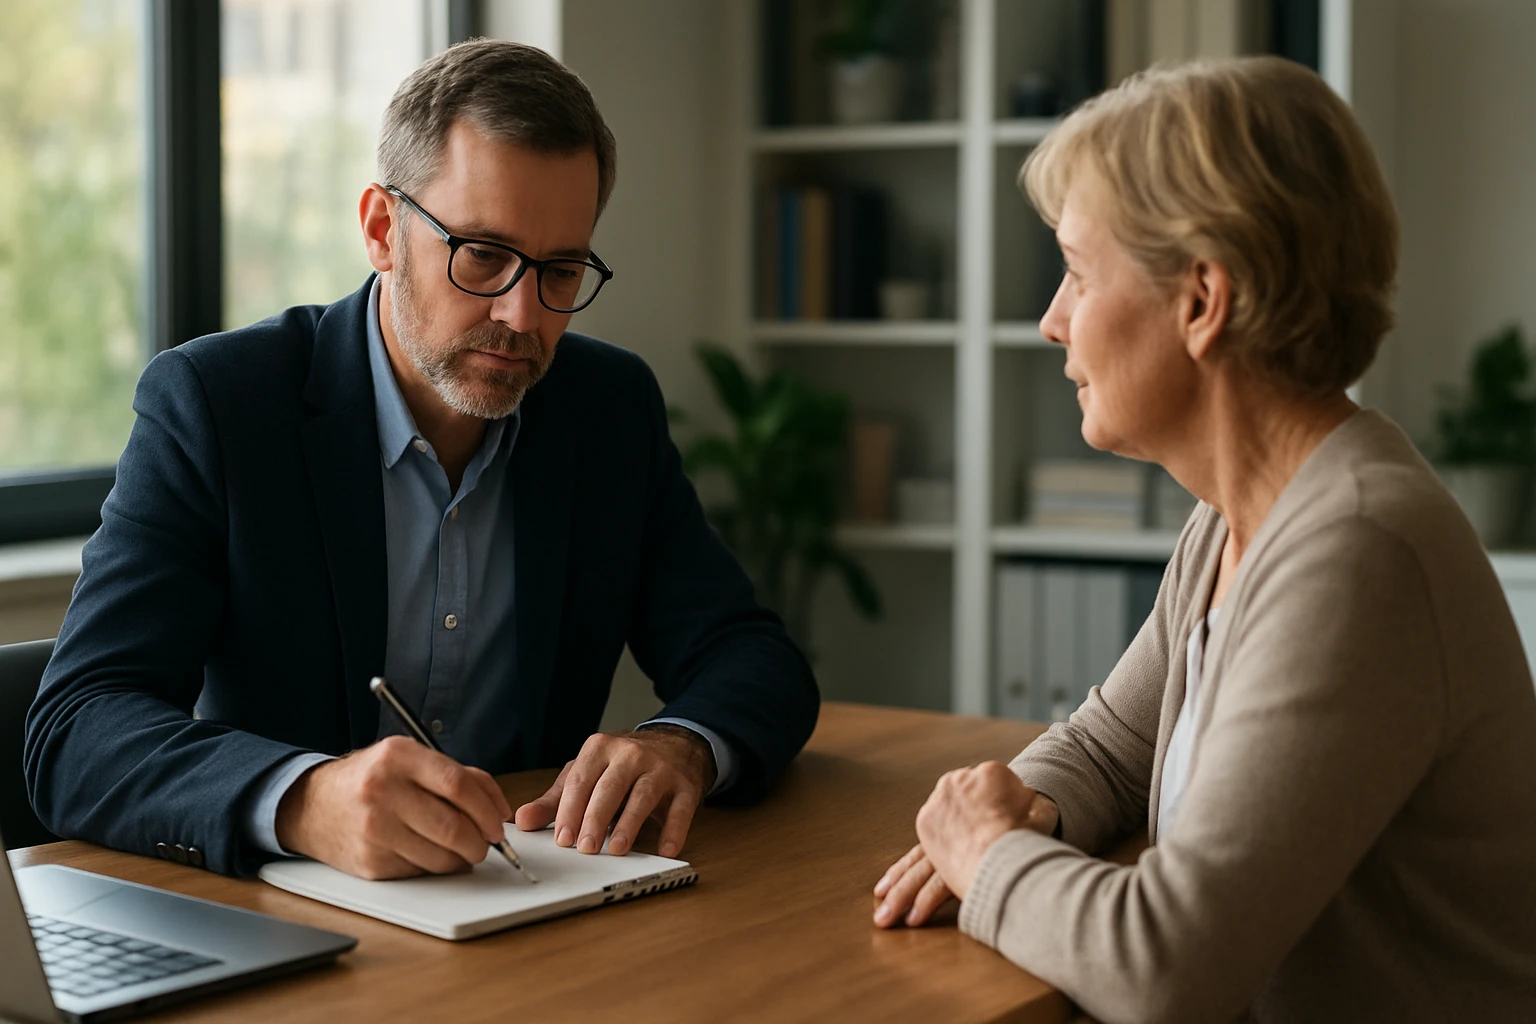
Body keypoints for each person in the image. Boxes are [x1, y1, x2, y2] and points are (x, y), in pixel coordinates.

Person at [25, 40, 818, 881]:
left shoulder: (606, 410)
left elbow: (750, 656)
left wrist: (681, 744)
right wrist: (302, 799)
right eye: (482, 254)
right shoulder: (219, 405)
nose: (522, 314)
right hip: (293, 920)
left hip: (528, 905)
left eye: (562, 269)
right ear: (381, 230)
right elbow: (77, 729)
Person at [872, 56, 1536, 1023]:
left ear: (1201, 299)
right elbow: (1110, 749)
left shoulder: (1358, 551)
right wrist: (1025, 805)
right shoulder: (1235, 516)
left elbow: (1165, 968)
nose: (1052, 322)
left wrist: (989, 857)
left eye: (1077, 272)